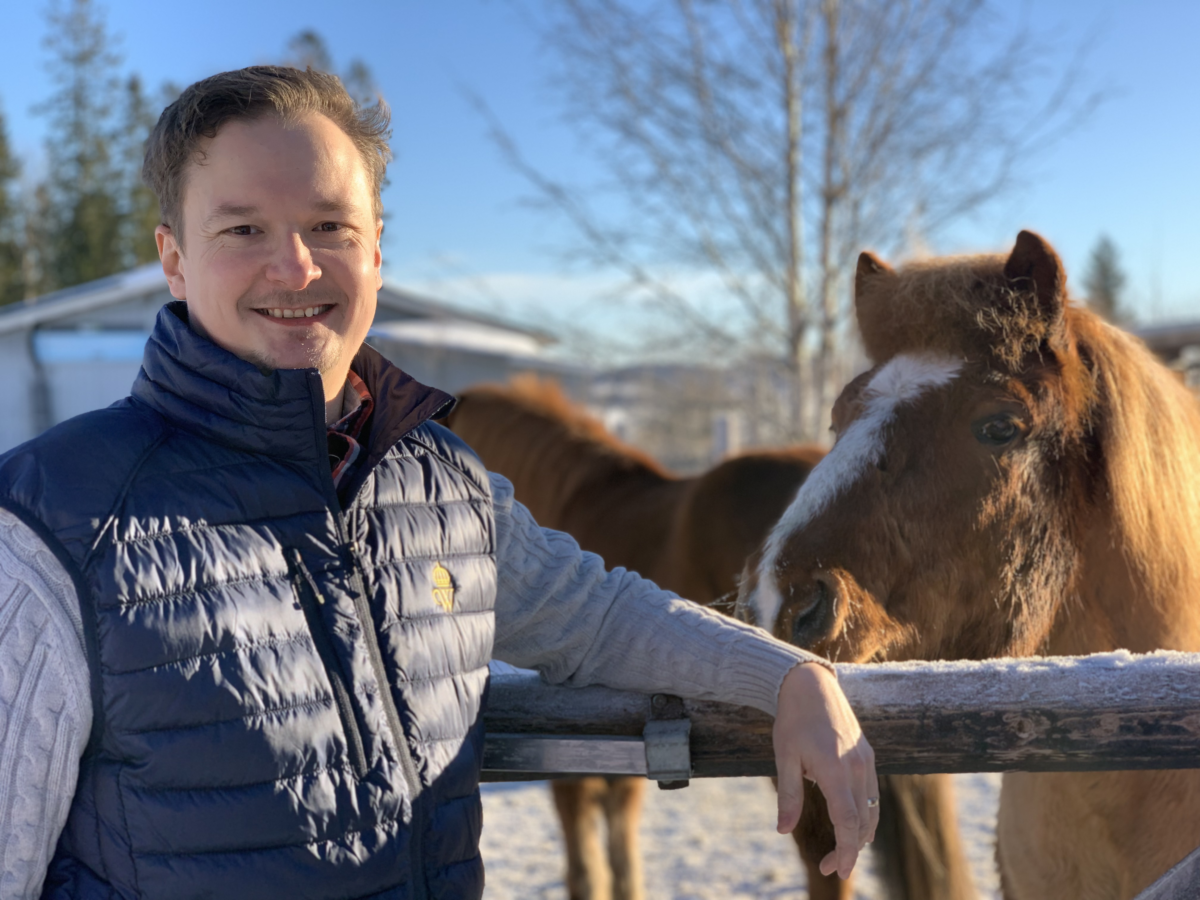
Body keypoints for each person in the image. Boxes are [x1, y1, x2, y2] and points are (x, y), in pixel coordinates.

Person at [0, 67, 877, 900]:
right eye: (243, 230)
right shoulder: (56, 524)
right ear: (175, 258)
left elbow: (596, 615)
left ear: (376, 248)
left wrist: (789, 676)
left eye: (330, 226)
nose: (296, 267)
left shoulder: (439, 482)